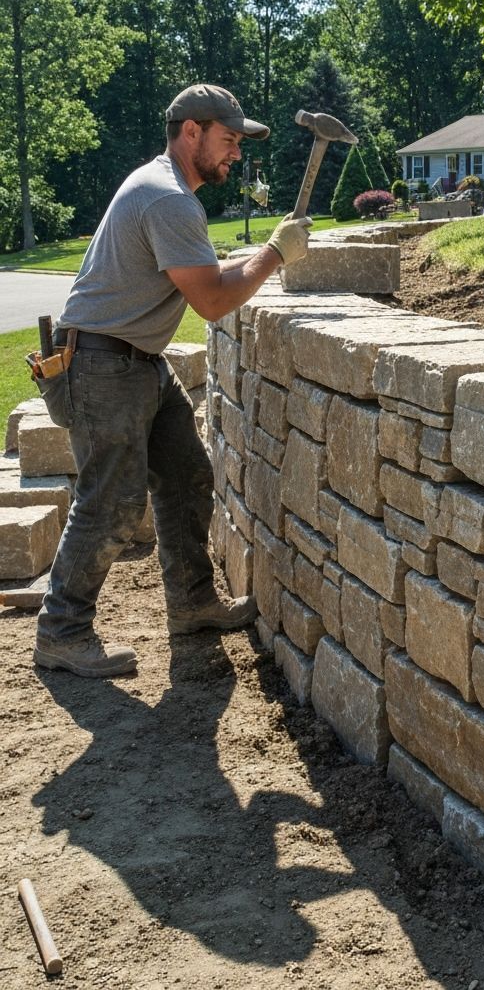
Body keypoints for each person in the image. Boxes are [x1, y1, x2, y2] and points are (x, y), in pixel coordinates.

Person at [33, 83, 313, 678]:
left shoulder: (165, 188)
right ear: (192, 131)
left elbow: (206, 273)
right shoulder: (167, 199)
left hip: (136, 362)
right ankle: (61, 631)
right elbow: (212, 300)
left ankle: (190, 603)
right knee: (110, 501)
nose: (235, 153)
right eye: (229, 139)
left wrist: (265, 252)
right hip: (104, 366)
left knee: (187, 474)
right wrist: (275, 255)